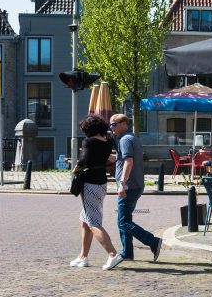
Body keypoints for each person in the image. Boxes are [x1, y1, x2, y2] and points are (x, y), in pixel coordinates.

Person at [70, 116, 123, 270]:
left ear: (88, 129)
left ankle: (113, 254)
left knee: (93, 223)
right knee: (84, 220)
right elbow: (107, 159)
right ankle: (83, 257)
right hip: (101, 183)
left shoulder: (88, 141)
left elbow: (84, 159)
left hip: (89, 184)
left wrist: (76, 168)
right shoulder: (107, 142)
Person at [110, 114, 163, 262]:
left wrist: (122, 184)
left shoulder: (125, 140)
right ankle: (127, 252)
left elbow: (129, 162)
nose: (111, 128)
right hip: (135, 185)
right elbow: (123, 159)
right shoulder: (132, 138)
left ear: (123, 124)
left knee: (123, 222)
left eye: (113, 125)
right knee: (124, 220)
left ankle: (153, 241)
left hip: (129, 186)